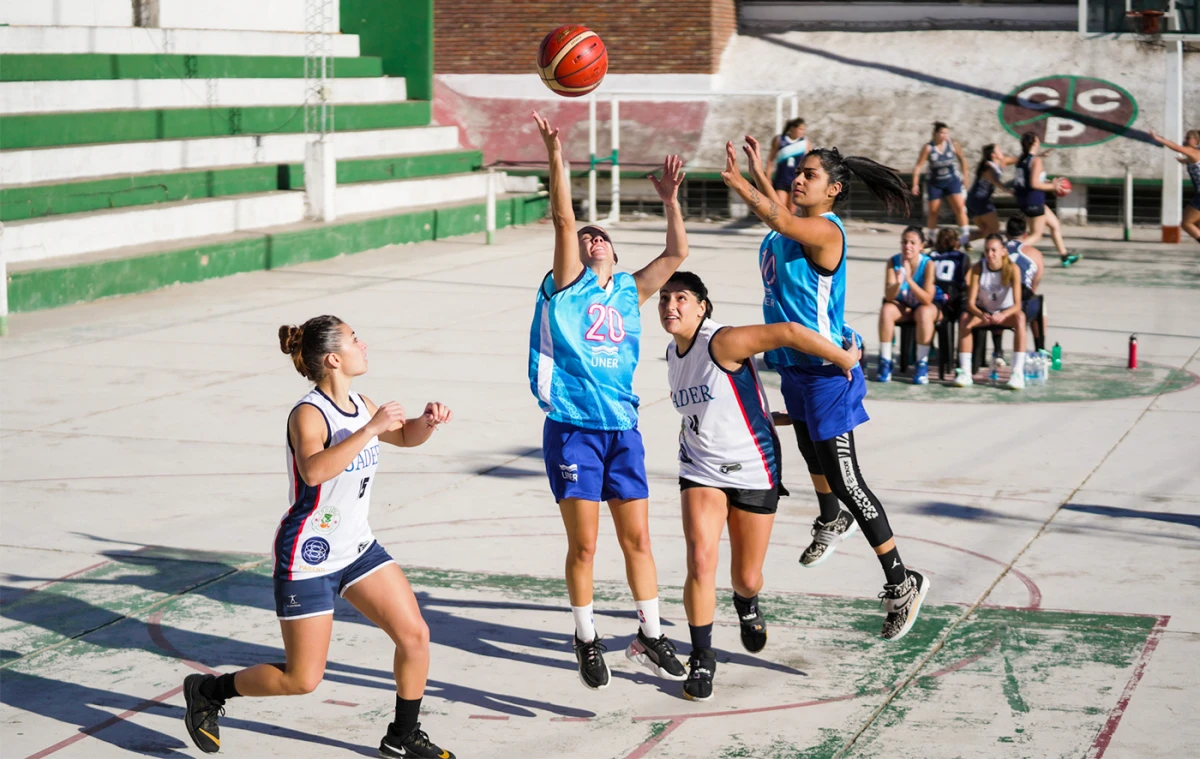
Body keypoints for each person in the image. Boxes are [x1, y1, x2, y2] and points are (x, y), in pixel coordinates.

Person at [182, 315, 456, 759]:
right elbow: (313, 470)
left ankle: (402, 735)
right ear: (333, 358)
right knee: (302, 680)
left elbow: (404, 438)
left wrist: (426, 421)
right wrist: (370, 429)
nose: (363, 344)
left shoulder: (362, 402)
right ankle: (210, 692)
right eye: (354, 339)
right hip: (308, 555)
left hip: (357, 548)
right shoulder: (308, 413)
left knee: (415, 635)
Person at [722, 135, 930, 641]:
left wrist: (742, 183)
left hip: (826, 372)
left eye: (810, 174)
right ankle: (830, 518)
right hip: (794, 367)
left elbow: (781, 219)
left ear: (833, 190)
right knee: (811, 456)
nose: (799, 178)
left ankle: (903, 580)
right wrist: (759, 172)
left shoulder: (827, 233)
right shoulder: (783, 232)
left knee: (847, 479)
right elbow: (778, 218)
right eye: (798, 172)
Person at [528, 111, 689, 691]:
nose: (592, 238)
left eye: (603, 236)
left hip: (623, 427)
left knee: (639, 539)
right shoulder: (568, 285)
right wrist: (557, 154)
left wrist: (671, 199)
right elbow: (566, 218)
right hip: (573, 425)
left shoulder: (629, 289)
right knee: (586, 544)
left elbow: (676, 253)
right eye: (586, 236)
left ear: (616, 254)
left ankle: (650, 632)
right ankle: (586, 635)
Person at [658, 271, 859, 700]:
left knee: (746, 577)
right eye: (663, 299)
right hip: (700, 468)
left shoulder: (723, 341)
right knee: (699, 559)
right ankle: (702, 659)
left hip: (754, 469)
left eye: (680, 298)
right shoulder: (673, 354)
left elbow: (787, 331)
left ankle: (746, 604)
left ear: (701, 306)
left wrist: (844, 360)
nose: (669, 306)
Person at [953, 234, 1027, 390]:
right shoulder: (978, 268)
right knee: (965, 318)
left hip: (1004, 313)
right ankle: (965, 372)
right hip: (984, 313)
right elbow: (970, 303)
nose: (990, 254)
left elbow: (1018, 304)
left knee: (1020, 318)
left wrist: (1004, 314)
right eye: (987, 250)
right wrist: (981, 315)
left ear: (1003, 251)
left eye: (994, 250)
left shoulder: (1013, 269)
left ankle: (1017, 372)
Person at [877, 225, 937, 385]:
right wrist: (897, 283)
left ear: (921, 246)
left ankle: (921, 363)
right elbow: (889, 296)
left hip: (925, 307)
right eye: (904, 242)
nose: (907, 246)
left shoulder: (928, 264)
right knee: (887, 310)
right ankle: (885, 360)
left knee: (924, 312)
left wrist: (909, 279)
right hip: (904, 306)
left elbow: (927, 299)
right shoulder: (893, 261)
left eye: (912, 242)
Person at [1011, 132, 1079, 267]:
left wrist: (1048, 180)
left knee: (1055, 224)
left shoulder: (1021, 159)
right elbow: (1034, 184)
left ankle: (1064, 256)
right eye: (1038, 141)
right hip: (1034, 201)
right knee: (1036, 235)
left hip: (1026, 200)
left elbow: (1031, 178)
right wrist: (1053, 186)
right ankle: (1010, 251)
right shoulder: (1035, 161)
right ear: (1035, 143)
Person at [911, 122, 970, 245]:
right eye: (942, 133)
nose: (944, 135)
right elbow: (918, 166)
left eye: (946, 133)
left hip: (951, 180)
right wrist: (915, 183)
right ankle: (931, 238)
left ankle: (965, 238)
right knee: (933, 211)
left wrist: (965, 177)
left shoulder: (953, 145)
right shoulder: (928, 148)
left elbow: (962, 159)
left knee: (959, 207)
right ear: (935, 133)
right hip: (935, 182)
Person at [1149, 128, 1200, 244]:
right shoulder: (1196, 152)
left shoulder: (1193, 152)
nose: (1185, 140)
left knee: (1187, 223)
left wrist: (1157, 138)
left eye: (1188, 138)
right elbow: (1194, 161)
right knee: (1197, 225)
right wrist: (1185, 161)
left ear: (1195, 140)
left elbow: (1176, 147)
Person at [1005, 214, 1045, 348]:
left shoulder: (995, 250)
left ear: (1006, 233)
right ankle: (1040, 348)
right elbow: (1034, 286)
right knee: (1040, 305)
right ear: (1026, 234)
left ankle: (998, 350)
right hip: (1021, 304)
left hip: (996, 302)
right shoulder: (1034, 253)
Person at [965, 144, 1017, 241]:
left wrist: (1037, 155)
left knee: (986, 231)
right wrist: (1008, 190)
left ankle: (958, 241)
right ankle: (994, 250)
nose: (1002, 151)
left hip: (973, 200)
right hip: (979, 201)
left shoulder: (1001, 162)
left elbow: (1019, 159)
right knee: (994, 229)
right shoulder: (988, 166)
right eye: (999, 150)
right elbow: (995, 181)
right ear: (993, 155)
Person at [767, 118, 809, 213]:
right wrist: (768, 177)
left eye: (803, 130)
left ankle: (788, 228)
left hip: (795, 180)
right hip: (781, 179)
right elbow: (770, 160)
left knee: (792, 209)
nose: (802, 132)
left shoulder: (804, 143)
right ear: (793, 128)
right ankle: (778, 227)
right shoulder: (779, 140)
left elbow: (809, 162)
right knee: (780, 208)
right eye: (800, 129)